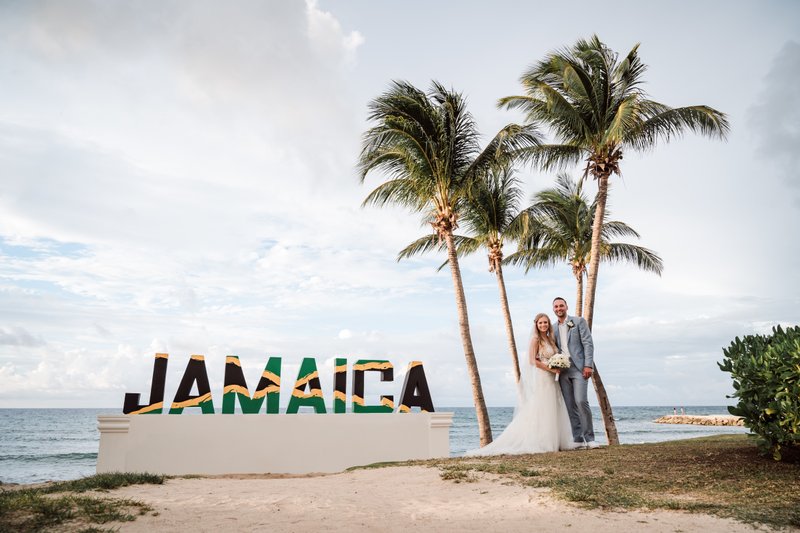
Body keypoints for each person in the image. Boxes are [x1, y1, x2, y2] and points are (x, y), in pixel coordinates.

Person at [466, 313, 573, 456]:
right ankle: (542, 441)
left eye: (545, 322)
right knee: (542, 407)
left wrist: (558, 365)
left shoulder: (550, 339)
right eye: (540, 323)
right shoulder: (535, 340)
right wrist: (551, 369)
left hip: (553, 378)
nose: (543, 325)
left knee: (553, 406)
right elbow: (532, 361)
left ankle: (555, 440)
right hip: (543, 377)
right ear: (536, 324)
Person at [552, 297, 599, 449]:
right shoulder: (552, 328)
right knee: (570, 405)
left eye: (561, 306)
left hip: (579, 367)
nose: (559, 308)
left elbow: (588, 343)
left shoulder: (578, 322)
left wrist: (588, 365)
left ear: (566, 306)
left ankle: (590, 438)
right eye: (556, 306)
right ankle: (578, 439)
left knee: (581, 401)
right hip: (562, 370)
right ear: (553, 309)